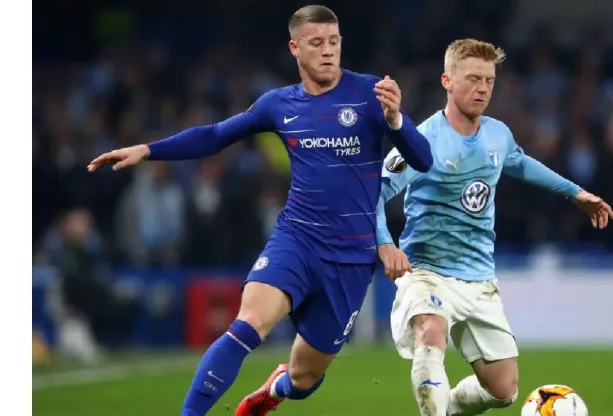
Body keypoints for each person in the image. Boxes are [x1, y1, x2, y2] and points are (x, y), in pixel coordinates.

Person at [87, 6, 433, 416]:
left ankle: (277, 387)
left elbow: (423, 158)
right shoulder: (278, 104)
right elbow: (215, 135)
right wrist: (147, 150)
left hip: (351, 260)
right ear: (295, 48)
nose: (328, 51)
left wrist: (395, 119)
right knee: (247, 325)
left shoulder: (371, 93)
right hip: (297, 241)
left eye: (334, 42)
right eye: (316, 43)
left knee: (305, 379)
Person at [375, 39, 613, 416]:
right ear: (447, 81)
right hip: (427, 271)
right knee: (431, 333)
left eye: (489, 80)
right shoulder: (423, 140)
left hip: (479, 277)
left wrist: (575, 193)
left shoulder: (497, 134)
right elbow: (373, 191)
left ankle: (444, 407)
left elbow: (519, 163)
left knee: (503, 390)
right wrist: (385, 243)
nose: (483, 88)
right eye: (473, 78)